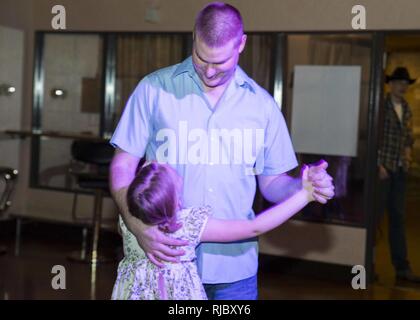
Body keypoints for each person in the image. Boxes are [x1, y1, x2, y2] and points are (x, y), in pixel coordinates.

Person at [109, 2, 335, 299]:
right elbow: (122, 167)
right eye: (201, 59)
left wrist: (303, 187)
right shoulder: (153, 89)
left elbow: (273, 184)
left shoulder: (262, 106)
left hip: (234, 274)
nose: (210, 72)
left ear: (241, 44)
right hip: (162, 266)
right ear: (193, 37)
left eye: (220, 63)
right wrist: (137, 225)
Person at [111, 161, 331, 300]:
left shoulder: (129, 222)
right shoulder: (187, 225)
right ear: (176, 202)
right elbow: (255, 227)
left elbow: (138, 187)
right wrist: (305, 196)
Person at [377, 66, 419, 284]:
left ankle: (402, 268)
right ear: (391, 84)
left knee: (398, 218)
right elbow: (371, 135)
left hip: (400, 169)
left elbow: (408, 138)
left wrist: (408, 153)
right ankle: (368, 264)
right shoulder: (381, 106)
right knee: (375, 218)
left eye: (405, 83)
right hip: (383, 170)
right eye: (400, 83)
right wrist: (378, 164)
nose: (403, 87)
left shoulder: (406, 108)